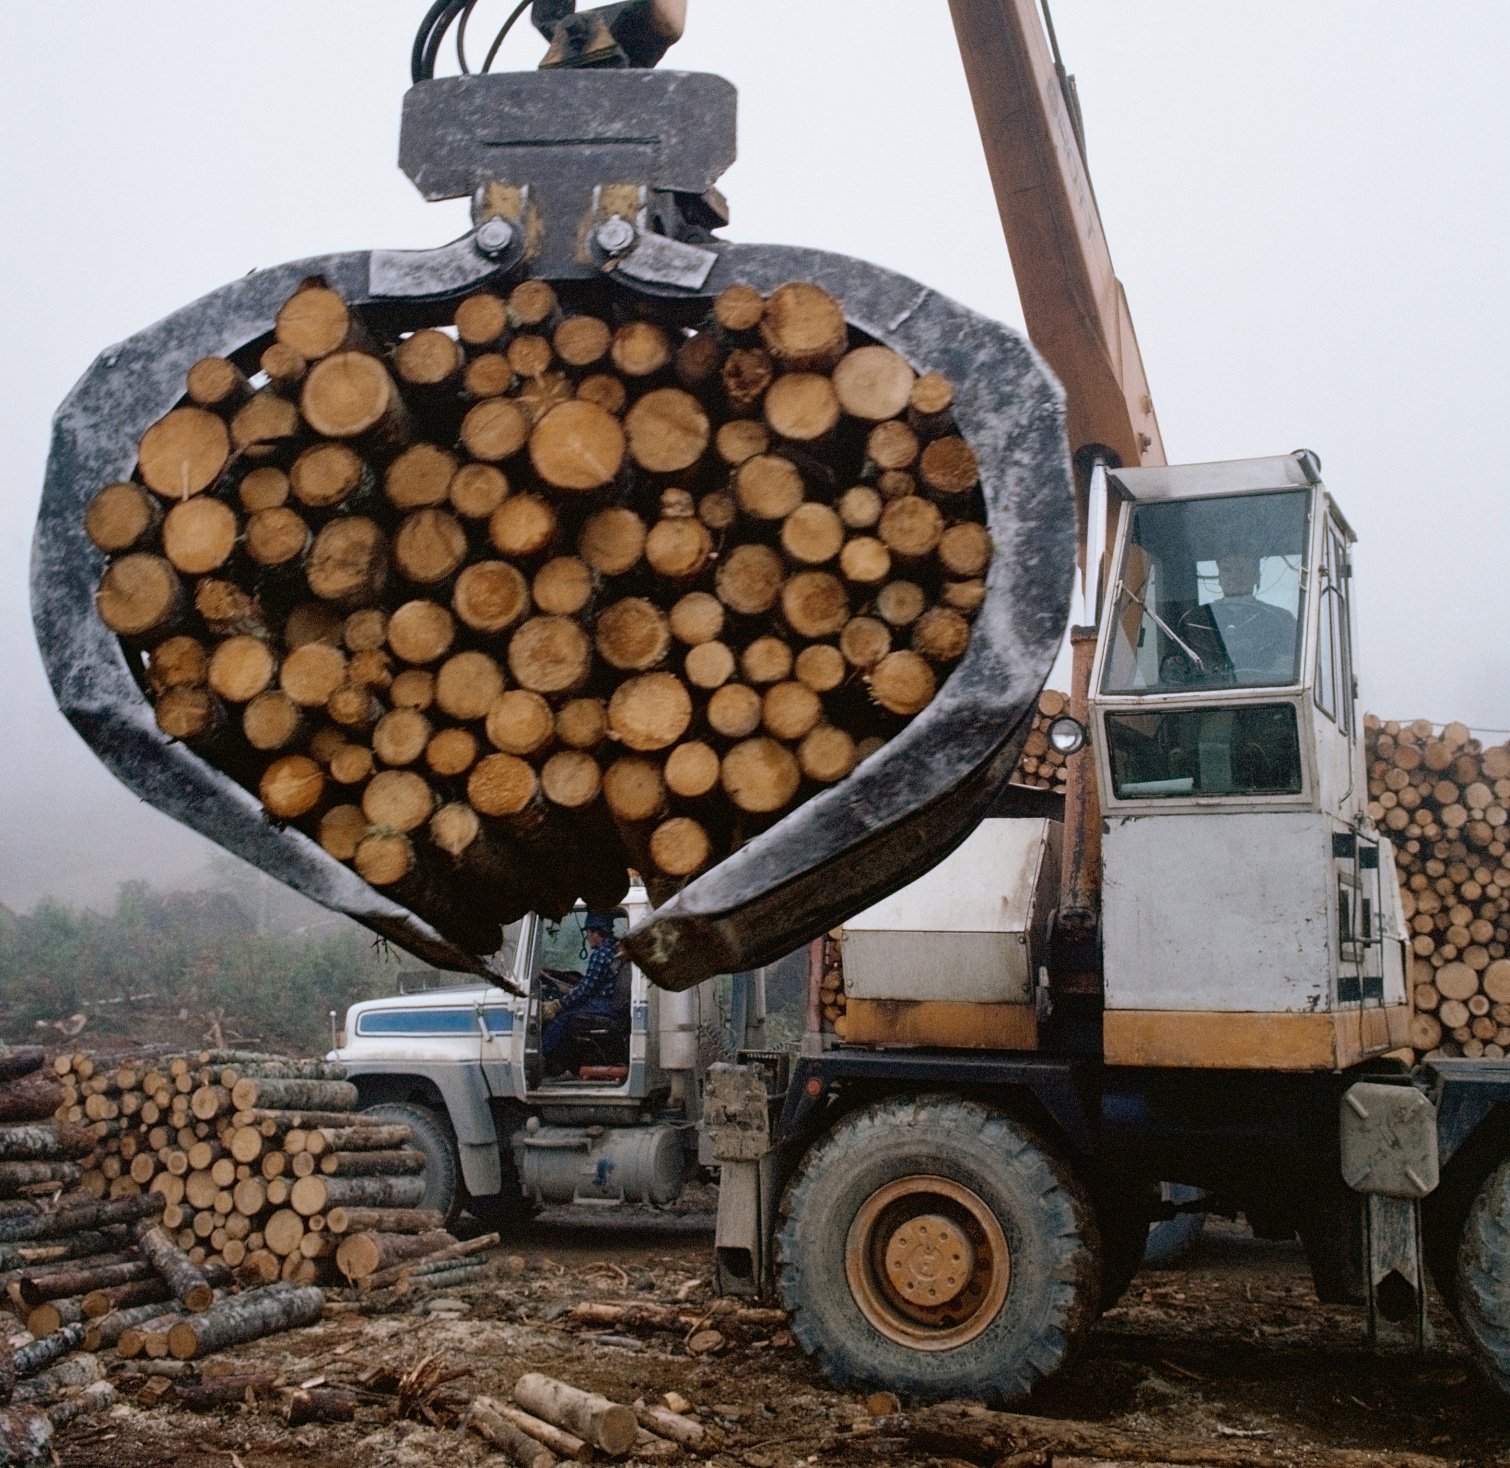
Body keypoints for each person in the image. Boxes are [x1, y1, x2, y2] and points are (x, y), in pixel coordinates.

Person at [1179, 550, 1298, 682]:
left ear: (1256, 577)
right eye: (1227, 570)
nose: (1234, 576)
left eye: (1242, 570)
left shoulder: (1282, 619)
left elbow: (1293, 660)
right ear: (1219, 578)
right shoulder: (1198, 618)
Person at [541, 912, 624, 1075]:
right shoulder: (612, 949)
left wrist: (558, 1004)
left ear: (596, 932)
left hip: (605, 1005)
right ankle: (562, 1062)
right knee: (567, 1016)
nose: (587, 938)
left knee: (562, 1018)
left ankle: (542, 1058)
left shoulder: (601, 954)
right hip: (608, 1002)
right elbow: (589, 983)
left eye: (588, 933)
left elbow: (586, 989)